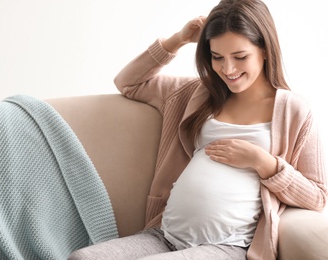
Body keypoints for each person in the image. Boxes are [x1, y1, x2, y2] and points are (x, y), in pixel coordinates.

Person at [68, 0, 327, 259]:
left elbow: (317, 196)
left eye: (240, 57)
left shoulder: (294, 110)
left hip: (227, 246)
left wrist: (264, 163)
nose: (228, 69)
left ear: (265, 50)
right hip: (164, 236)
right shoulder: (197, 93)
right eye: (217, 57)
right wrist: (177, 40)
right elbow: (128, 83)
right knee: (82, 257)